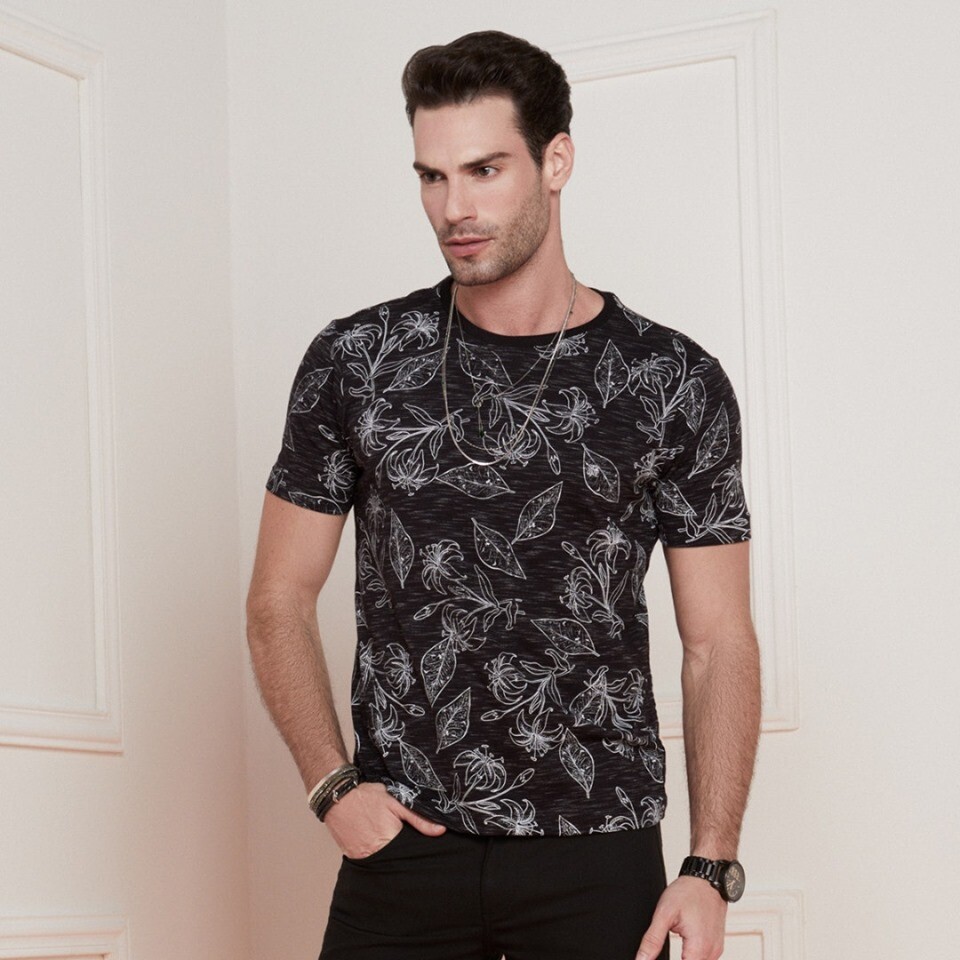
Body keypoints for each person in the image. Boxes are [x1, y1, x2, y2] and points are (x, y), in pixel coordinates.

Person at [247, 29, 761, 960]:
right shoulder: (356, 364)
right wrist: (331, 785)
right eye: (432, 177)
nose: (455, 208)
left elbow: (717, 640)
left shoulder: (671, 380)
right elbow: (277, 596)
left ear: (556, 161)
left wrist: (710, 862)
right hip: (403, 848)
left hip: (599, 851)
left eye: (484, 170)